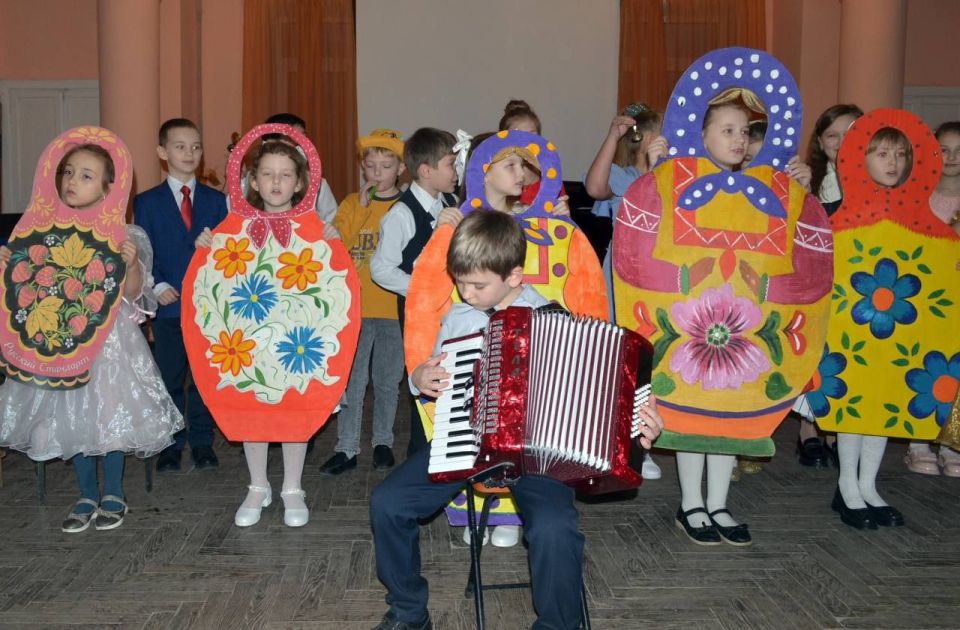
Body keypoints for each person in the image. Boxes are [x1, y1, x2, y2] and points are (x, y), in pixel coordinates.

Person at [368, 210, 664, 630]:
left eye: (477, 284)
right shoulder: (457, 319)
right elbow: (435, 376)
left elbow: (613, 393)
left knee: (555, 529)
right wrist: (420, 378)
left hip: (539, 459)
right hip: (466, 442)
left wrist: (643, 422)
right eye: (459, 281)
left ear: (514, 277)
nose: (465, 293)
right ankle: (408, 611)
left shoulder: (556, 320)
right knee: (388, 502)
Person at [0, 141, 182, 532]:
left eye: (86, 176)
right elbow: (25, 290)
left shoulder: (124, 233)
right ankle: (85, 493)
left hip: (109, 343)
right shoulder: (39, 232)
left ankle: (113, 490)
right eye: (68, 172)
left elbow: (135, 294)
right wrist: (9, 264)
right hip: (59, 342)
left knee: (107, 412)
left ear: (106, 188)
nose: (72, 181)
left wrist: (130, 263)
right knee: (70, 415)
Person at [195, 141, 316, 527]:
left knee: (296, 407)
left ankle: (293, 487)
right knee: (252, 406)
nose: (276, 182)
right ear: (253, 181)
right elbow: (216, 282)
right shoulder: (234, 229)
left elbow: (330, 282)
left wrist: (330, 243)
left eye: (285, 174)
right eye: (267, 173)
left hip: (297, 341)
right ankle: (258, 485)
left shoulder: (314, 228)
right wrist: (207, 249)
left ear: (299, 183)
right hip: (247, 340)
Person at [134, 118, 227, 472]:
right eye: (179, 146)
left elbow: (226, 254)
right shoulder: (147, 202)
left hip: (207, 308)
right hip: (169, 306)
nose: (189, 153)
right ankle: (171, 442)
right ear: (162, 152)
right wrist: (156, 284)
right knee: (170, 376)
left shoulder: (217, 201)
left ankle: (202, 440)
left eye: (196, 147)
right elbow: (142, 250)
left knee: (204, 378)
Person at [319, 129, 406, 475]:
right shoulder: (351, 204)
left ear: (401, 168)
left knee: (387, 381)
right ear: (363, 169)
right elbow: (338, 246)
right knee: (353, 382)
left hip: (393, 309)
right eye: (371, 167)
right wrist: (361, 209)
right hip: (354, 309)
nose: (378, 173)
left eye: (386, 166)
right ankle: (347, 447)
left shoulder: (406, 205)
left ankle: (382, 442)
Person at [584, 103, 663, 480]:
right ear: (643, 140)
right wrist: (611, 136)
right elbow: (594, 187)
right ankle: (607, 441)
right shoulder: (624, 176)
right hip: (621, 278)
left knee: (649, 364)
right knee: (617, 362)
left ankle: (639, 445)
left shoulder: (674, 176)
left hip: (660, 280)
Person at [370, 128, 459, 457]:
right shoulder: (402, 214)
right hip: (420, 316)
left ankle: (449, 450)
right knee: (425, 383)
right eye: (450, 164)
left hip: (450, 313)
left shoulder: (449, 202)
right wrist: (424, 290)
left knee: (450, 379)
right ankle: (420, 457)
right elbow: (381, 268)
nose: (456, 172)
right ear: (426, 170)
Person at [904, 120, 960, 476]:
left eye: (959, 150)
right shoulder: (917, 194)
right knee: (924, 364)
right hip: (926, 296)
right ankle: (918, 440)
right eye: (944, 149)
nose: (951, 157)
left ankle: (952, 442)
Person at [262, 113, 339, 222]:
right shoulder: (247, 183)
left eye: (303, 139)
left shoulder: (317, 184)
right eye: (294, 140)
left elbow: (333, 221)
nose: (301, 146)